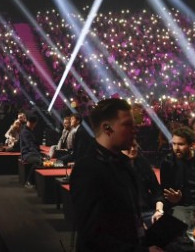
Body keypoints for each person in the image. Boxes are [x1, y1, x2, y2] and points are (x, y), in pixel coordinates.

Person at [70, 98, 164, 252]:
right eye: (127, 124)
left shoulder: (124, 163)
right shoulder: (87, 169)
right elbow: (93, 237)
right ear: (107, 128)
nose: (134, 129)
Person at [19, 114, 44, 188]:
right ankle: (29, 181)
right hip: (27, 154)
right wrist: (39, 155)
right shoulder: (25, 132)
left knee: (42, 160)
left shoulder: (28, 130)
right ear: (34, 123)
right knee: (38, 162)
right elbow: (30, 146)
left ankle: (36, 182)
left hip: (31, 153)